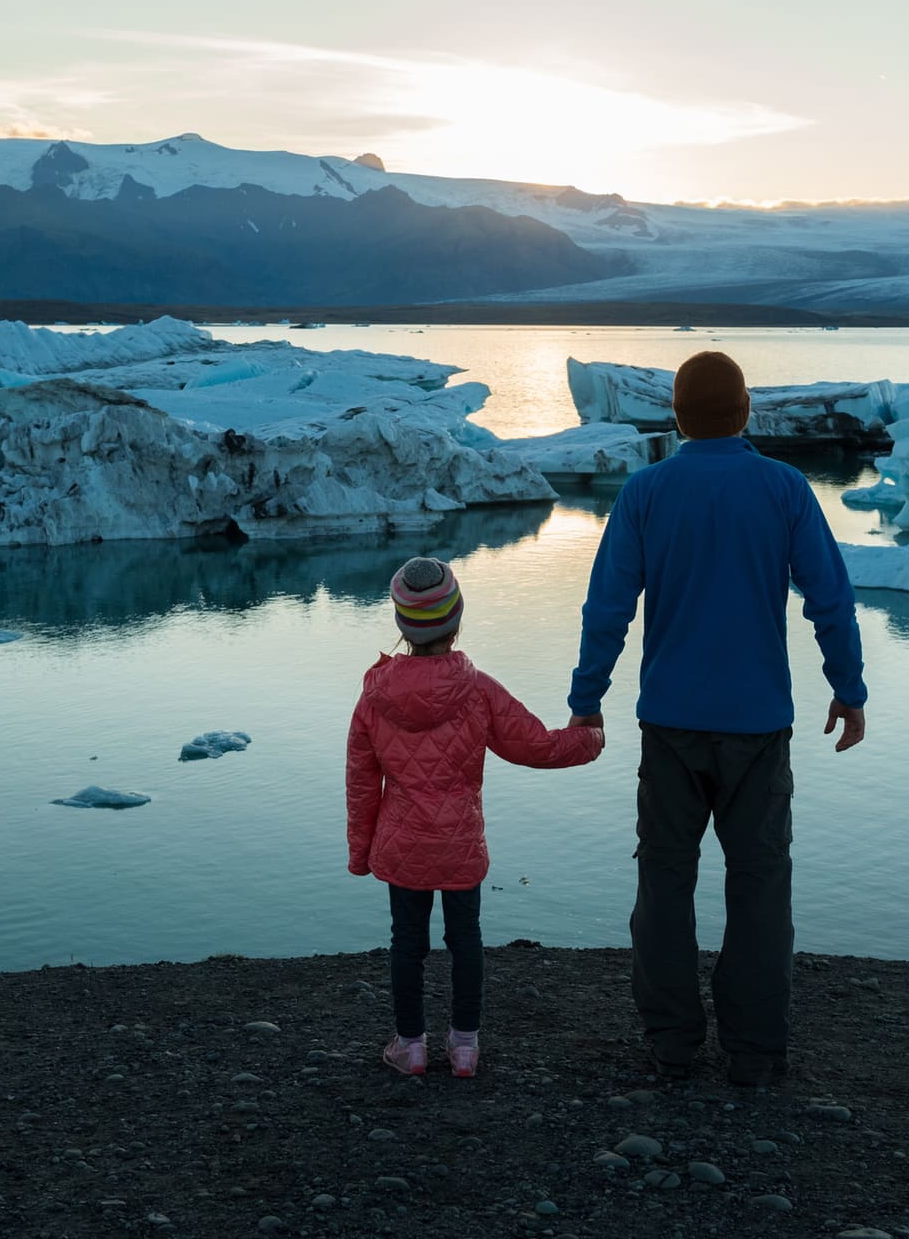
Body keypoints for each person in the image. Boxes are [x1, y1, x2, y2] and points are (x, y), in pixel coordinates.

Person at [567, 350, 867, 1086]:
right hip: (759, 726)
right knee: (760, 887)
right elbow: (829, 596)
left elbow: (609, 605)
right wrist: (849, 688)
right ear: (744, 412)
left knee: (664, 885)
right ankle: (756, 1051)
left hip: (670, 724)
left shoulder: (646, 493)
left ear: (676, 415)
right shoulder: (784, 488)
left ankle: (672, 1044)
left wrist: (586, 700)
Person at [348, 556, 605, 1078]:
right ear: (457, 618)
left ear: (400, 623)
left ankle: (411, 1046)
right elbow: (535, 746)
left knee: (407, 942)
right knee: (466, 940)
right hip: (461, 842)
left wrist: (361, 853)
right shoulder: (478, 688)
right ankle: (464, 1049)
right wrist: (589, 737)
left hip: (402, 846)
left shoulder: (374, 696)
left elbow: (360, 782)